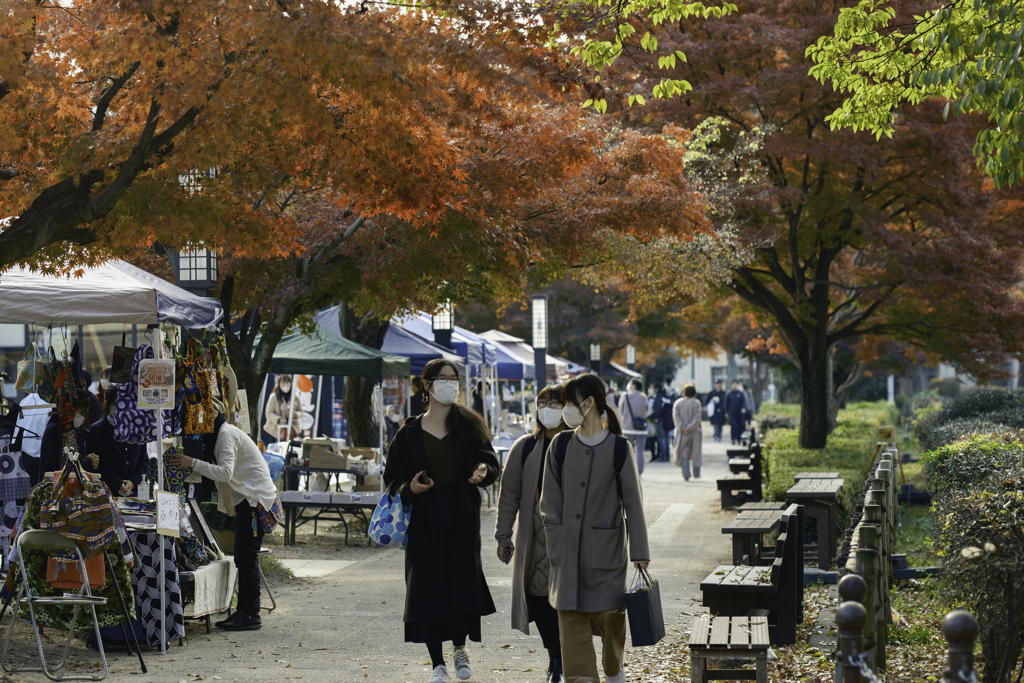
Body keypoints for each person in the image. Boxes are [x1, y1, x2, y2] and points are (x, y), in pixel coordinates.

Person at [383, 359, 500, 683]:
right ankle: (437, 663)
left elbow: (489, 461)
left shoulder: (468, 424)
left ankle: (460, 647)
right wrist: (410, 488)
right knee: (427, 587)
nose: (451, 384)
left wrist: (482, 472)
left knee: (461, 583)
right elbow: (392, 477)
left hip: (462, 516)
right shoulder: (408, 432)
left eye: (454, 378)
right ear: (428, 385)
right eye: (443, 378)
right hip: (425, 519)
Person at [540, 374, 650, 683]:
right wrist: (557, 542)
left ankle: (614, 671)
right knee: (571, 626)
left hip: (606, 555)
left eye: (569, 402)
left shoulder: (619, 448)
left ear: (588, 404)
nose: (565, 409)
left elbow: (633, 504)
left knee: (610, 619)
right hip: (567, 556)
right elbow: (548, 502)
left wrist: (640, 552)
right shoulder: (560, 445)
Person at [170, 399, 279, 632]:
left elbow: (226, 472)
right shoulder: (223, 433)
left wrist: (193, 463)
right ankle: (245, 610)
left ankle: (251, 615)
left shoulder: (225, 435)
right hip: (248, 500)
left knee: (247, 557)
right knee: (243, 556)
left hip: (253, 501)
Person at [495, 384, 568, 683]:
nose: (547, 407)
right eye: (542, 402)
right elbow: (509, 493)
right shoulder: (524, 446)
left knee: (567, 599)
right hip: (532, 535)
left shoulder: (577, 444)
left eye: (555, 402)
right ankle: (555, 656)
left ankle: (563, 658)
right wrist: (503, 535)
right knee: (538, 598)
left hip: (569, 536)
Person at [86, 385, 147, 496]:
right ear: (108, 404)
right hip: (105, 493)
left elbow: (144, 461)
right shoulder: (95, 431)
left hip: (134, 493)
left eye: (125, 403)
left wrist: (133, 482)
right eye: (116, 403)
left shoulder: (137, 428)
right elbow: (94, 465)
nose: (121, 408)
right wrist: (117, 483)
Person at [38, 388, 93, 485]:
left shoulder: (70, 431)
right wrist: (88, 463)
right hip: (53, 488)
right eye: (82, 412)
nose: (83, 417)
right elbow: (60, 467)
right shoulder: (55, 430)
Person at [672, 384, 703, 480]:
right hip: (695, 432)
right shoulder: (697, 403)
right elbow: (696, 418)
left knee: (683, 453)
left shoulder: (678, 403)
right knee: (696, 452)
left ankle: (686, 475)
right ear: (694, 393)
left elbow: (676, 417)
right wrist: (690, 427)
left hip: (681, 433)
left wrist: (682, 427)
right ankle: (696, 473)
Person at [618, 379, 648, 476]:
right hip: (641, 429)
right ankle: (639, 470)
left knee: (627, 449)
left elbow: (621, 410)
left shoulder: (625, 396)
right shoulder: (644, 397)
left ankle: (628, 469)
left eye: (630, 384)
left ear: (634, 386)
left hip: (628, 427)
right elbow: (647, 409)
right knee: (640, 450)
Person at [262, 375, 302, 442]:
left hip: (291, 429)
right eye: (283, 383)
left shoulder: (295, 397)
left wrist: (294, 415)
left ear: (291, 384)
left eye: (287, 383)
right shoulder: (274, 396)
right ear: (279, 384)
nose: (285, 386)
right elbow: (268, 413)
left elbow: (301, 412)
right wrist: (278, 420)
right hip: (275, 430)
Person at [725, 380, 748, 445]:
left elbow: (744, 402)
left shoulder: (741, 394)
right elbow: (727, 404)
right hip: (732, 413)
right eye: (733, 384)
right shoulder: (729, 394)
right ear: (731, 385)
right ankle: (733, 439)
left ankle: (738, 439)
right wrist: (726, 412)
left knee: (739, 426)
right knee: (733, 426)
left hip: (739, 413)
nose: (734, 386)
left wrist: (743, 408)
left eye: (735, 384)